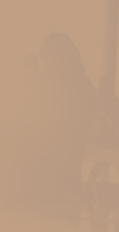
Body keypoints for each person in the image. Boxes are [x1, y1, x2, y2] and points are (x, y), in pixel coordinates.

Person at [31, 33, 97, 216]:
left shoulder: (72, 86)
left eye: (48, 64)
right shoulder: (81, 84)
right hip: (65, 151)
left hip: (64, 151)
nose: (46, 70)